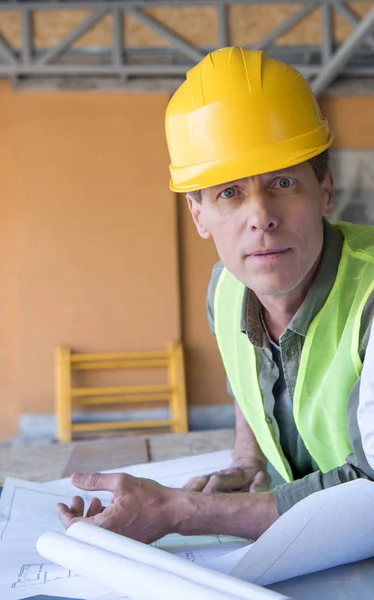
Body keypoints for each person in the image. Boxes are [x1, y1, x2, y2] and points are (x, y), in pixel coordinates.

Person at [57, 47, 374, 543]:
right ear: (198, 215)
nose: (260, 216)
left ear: (326, 191)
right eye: (229, 192)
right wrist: (248, 460)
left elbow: (370, 496)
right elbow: (247, 378)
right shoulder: (225, 291)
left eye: (284, 182)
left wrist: (181, 511)